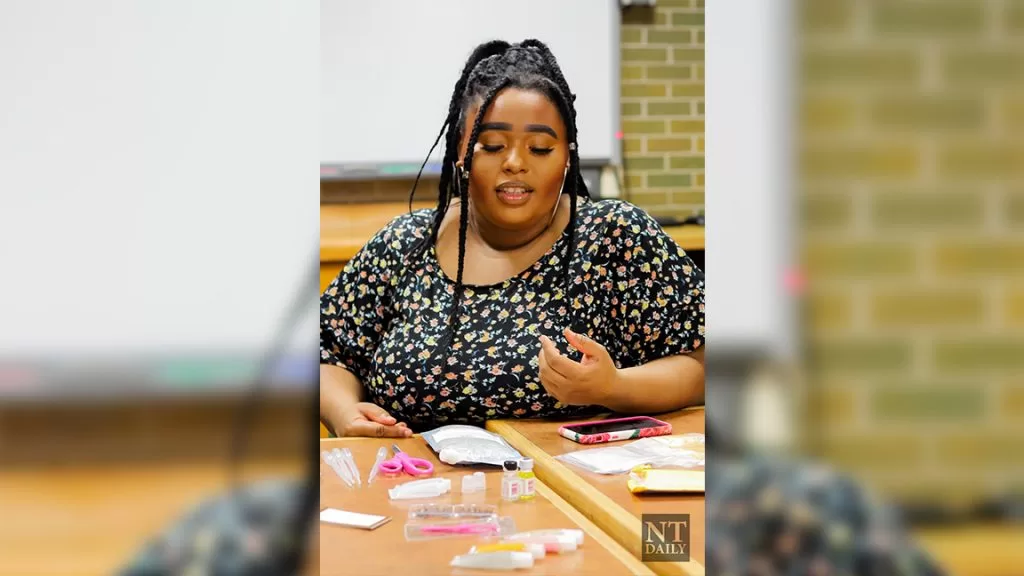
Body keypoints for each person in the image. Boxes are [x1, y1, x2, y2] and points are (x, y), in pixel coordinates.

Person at [320, 39, 705, 438]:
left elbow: (705, 361)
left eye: (540, 148)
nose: (516, 163)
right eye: (492, 146)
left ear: (567, 156)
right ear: (460, 152)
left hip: (564, 473)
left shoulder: (614, 237)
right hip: (412, 473)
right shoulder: (405, 244)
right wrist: (343, 412)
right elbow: (326, 351)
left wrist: (614, 387)